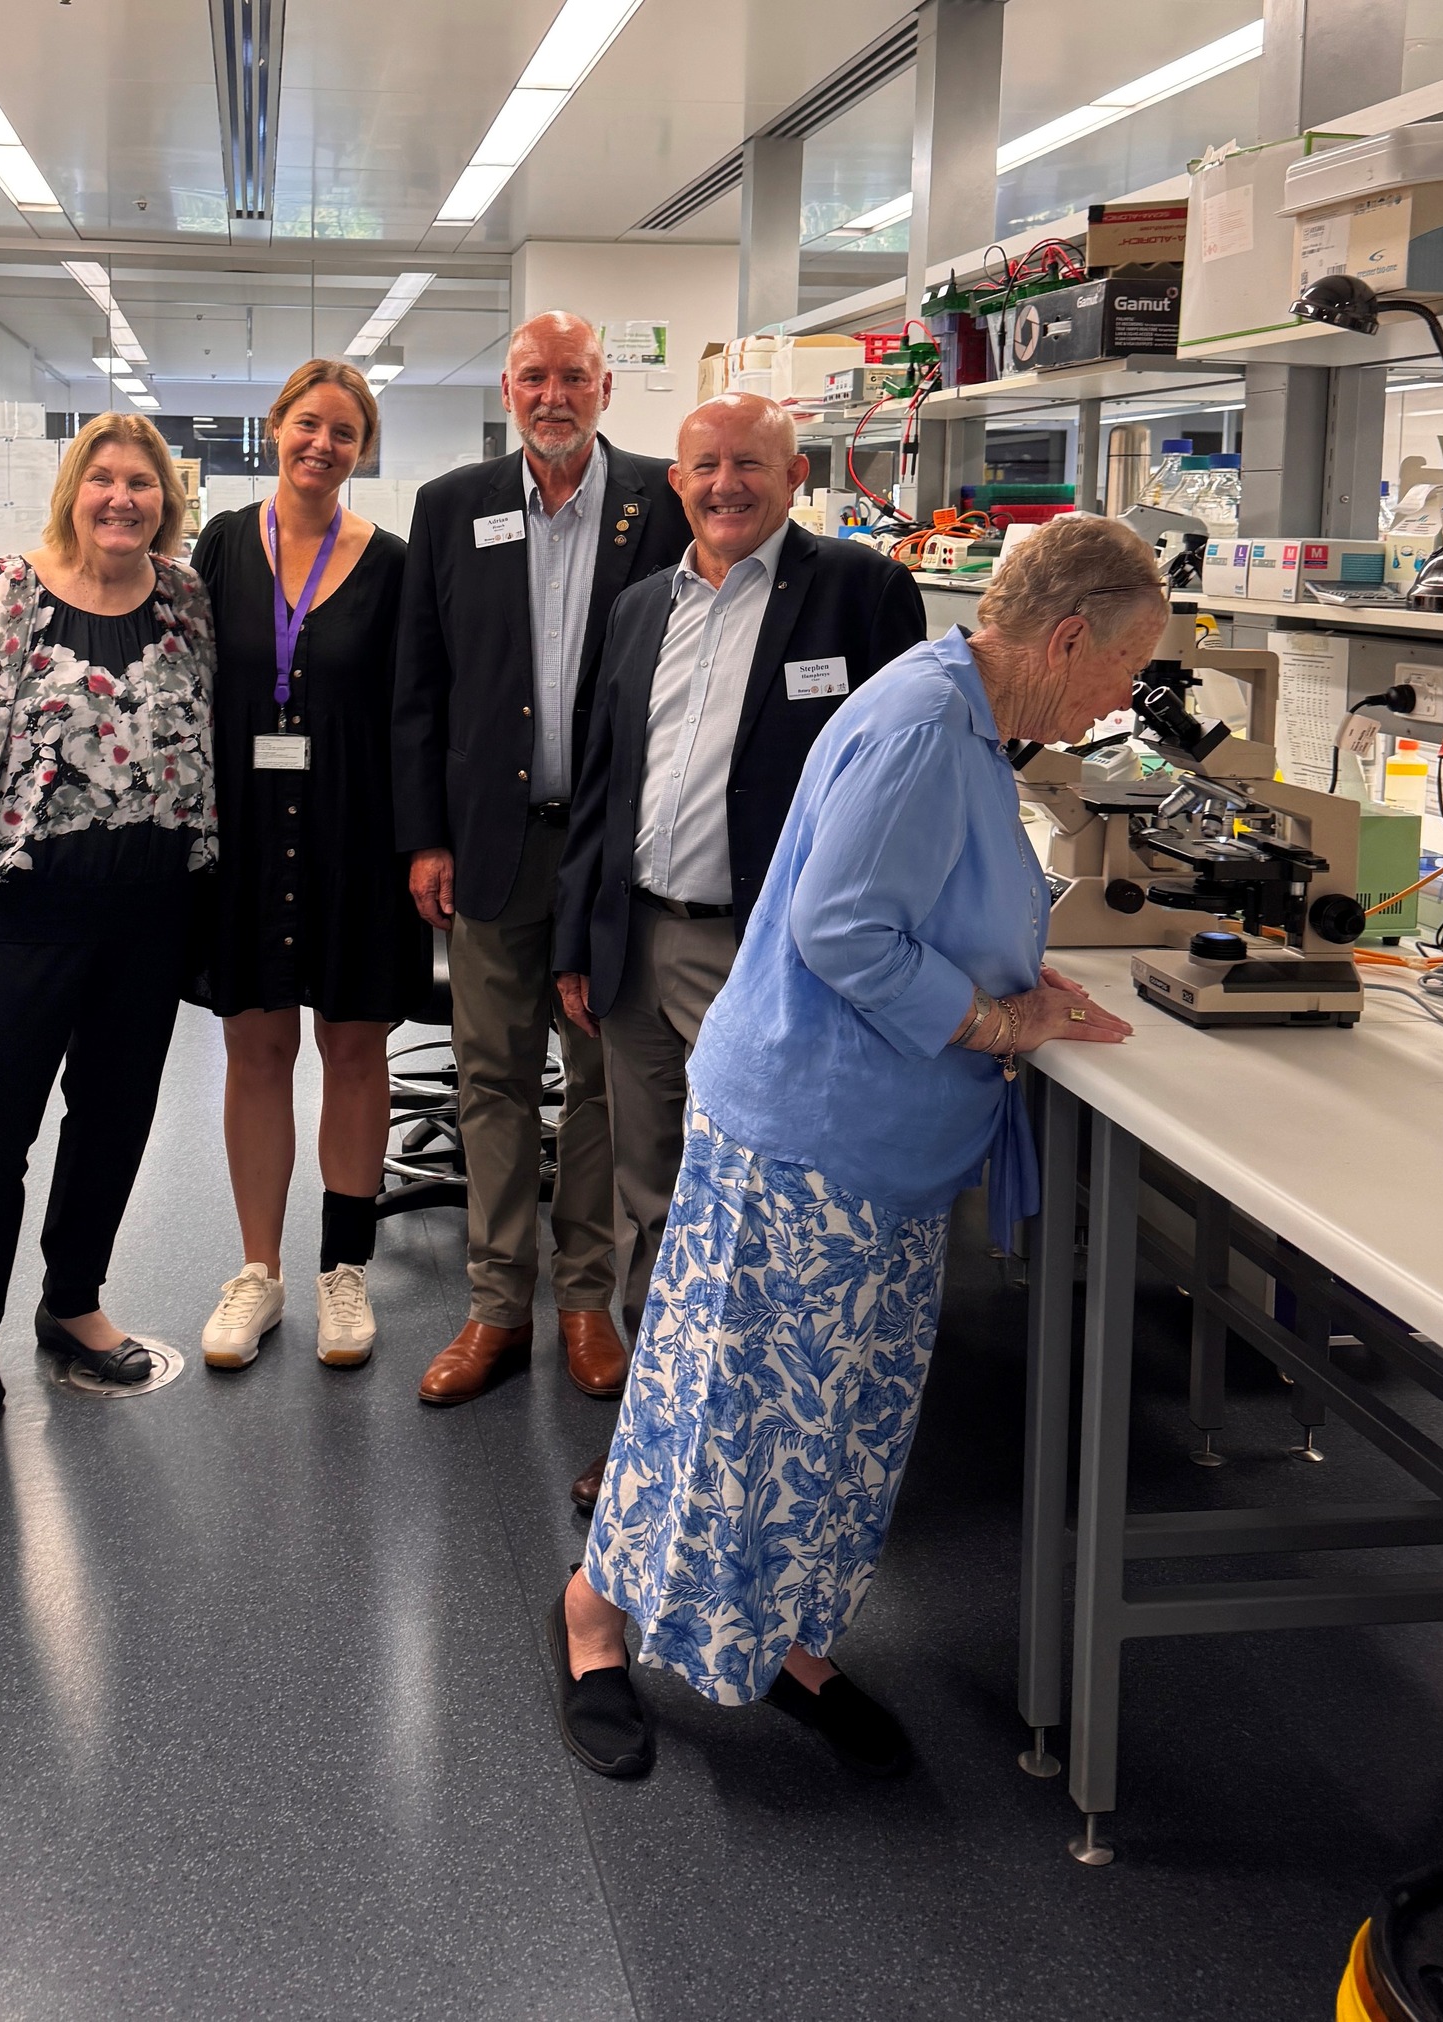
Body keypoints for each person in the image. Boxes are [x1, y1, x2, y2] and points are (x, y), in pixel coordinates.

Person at [547, 513, 1162, 1782]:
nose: (1120, 700)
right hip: (804, 1139)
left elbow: (910, 900)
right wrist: (1002, 1016)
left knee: (822, 1431)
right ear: (1060, 638)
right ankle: (595, 1615)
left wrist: (1006, 968)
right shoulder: (928, 730)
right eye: (1122, 669)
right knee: (721, 1413)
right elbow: (842, 931)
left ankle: (766, 1633)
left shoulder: (964, 708)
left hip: (863, 1145)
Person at [553, 391, 927, 1514]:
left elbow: (898, 784)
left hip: (765, 956)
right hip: (634, 942)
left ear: (793, 473)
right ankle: (652, 1443)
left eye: (749, 465)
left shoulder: (860, 594)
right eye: (704, 465)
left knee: (756, 1210)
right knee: (650, 1195)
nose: (725, 485)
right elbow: (598, 789)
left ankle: (755, 1455)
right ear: (674, 481)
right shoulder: (634, 610)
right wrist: (578, 936)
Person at [393, 312, 691, 1407]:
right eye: (531, 377)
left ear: (604, 388)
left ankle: (585, 1300)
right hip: (490, 844)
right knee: (491, 1075)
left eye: (572, 376)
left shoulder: (663, 502)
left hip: (616, 849)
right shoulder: (452, 507)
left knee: (604, 1077)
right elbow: (416, 687)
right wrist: (424, 833)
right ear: (506, 390)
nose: (551, 395)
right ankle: (493, 1306)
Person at [0, 413, 215, 1421]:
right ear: (73, 490)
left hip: (146, 911)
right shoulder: (4, 591)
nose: (121, 498)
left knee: (114, 1119)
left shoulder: (184, 600)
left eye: (143, 483)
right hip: (15, 911)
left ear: (165, 501)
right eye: (103, 479)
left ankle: (73, 1302)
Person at [190, 360, 427, 1371]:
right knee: (254, 1050)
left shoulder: (395, 563)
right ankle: (257, 1273)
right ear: (273, 429)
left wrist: (423, 841)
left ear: (361, 449)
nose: (321, 445)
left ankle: (342, 1272)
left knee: (353, 1051)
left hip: (353, 836)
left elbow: (415, 711)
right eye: (305, 424)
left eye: (343, 432)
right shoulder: (217, 547)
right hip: (243, 833)